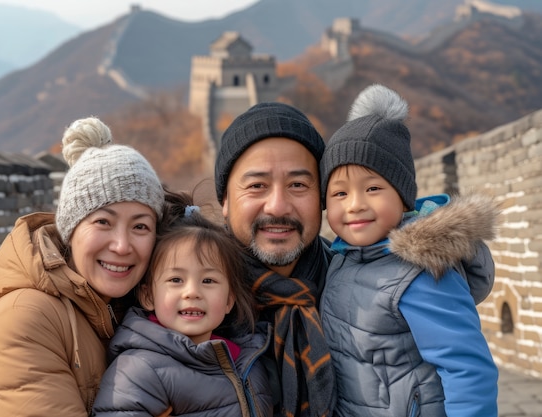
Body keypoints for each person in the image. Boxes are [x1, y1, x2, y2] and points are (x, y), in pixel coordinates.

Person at [214, 101, 497, 417]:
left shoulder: (350, 270)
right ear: (224, 199)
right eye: (257, 186)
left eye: (297, 184)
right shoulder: (192, 296)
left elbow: (466, 367)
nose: (278, 206)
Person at [0, 116, 165, 417]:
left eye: (140, 226)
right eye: (102, 222)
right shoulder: (25, 317)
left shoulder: (130, 307)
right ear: (71, 230)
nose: (122, 245)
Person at [318, 83, 499, 417]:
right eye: (339, 194)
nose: (355, 205)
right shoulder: (342, 260)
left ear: (403, 197)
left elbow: (467, 368)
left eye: (373, 188)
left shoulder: (420, 272)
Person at [92, 189, 273, 417]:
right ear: (148, 296)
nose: (192, 292)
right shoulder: (139, 370)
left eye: (208, 280)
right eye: (176, 280)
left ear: (229, 301)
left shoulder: (248, 359)